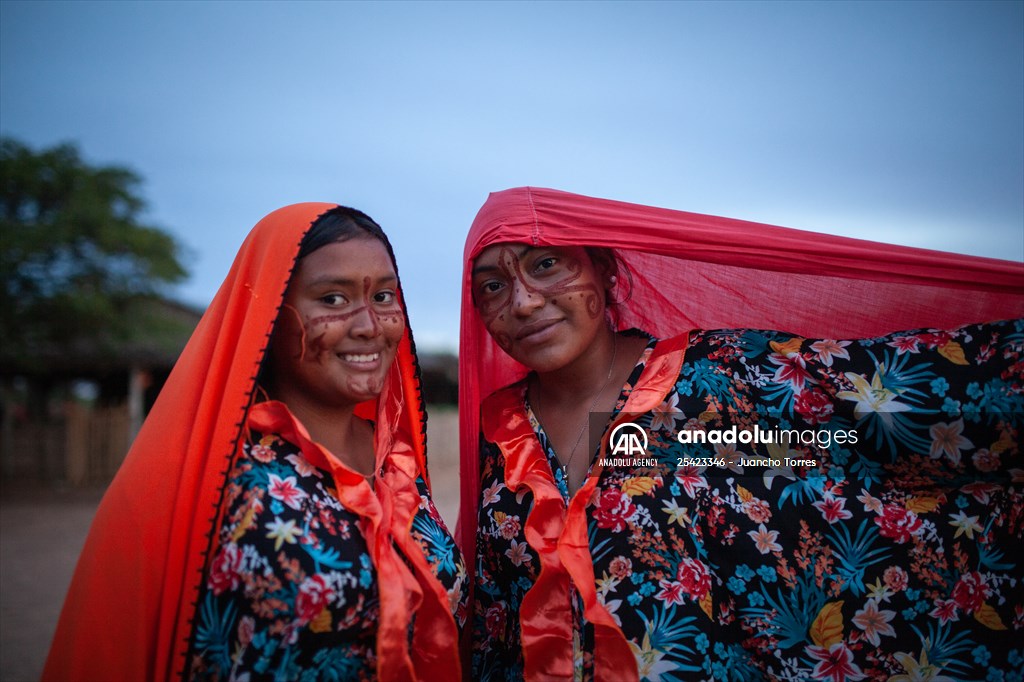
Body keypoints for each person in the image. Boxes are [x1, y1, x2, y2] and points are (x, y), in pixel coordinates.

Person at [458, 187, 1024, 681]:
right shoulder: (493, 435)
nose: (524, 301)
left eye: (547, 265)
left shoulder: (725, 381)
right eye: (492, 286)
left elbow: (889, 413)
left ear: (605, 269)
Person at [44, 204, 464, 681]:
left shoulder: (398, 463)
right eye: (332, 299)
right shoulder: (219, 478)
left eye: (385, 296)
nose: (370, 325)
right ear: (268, 315)